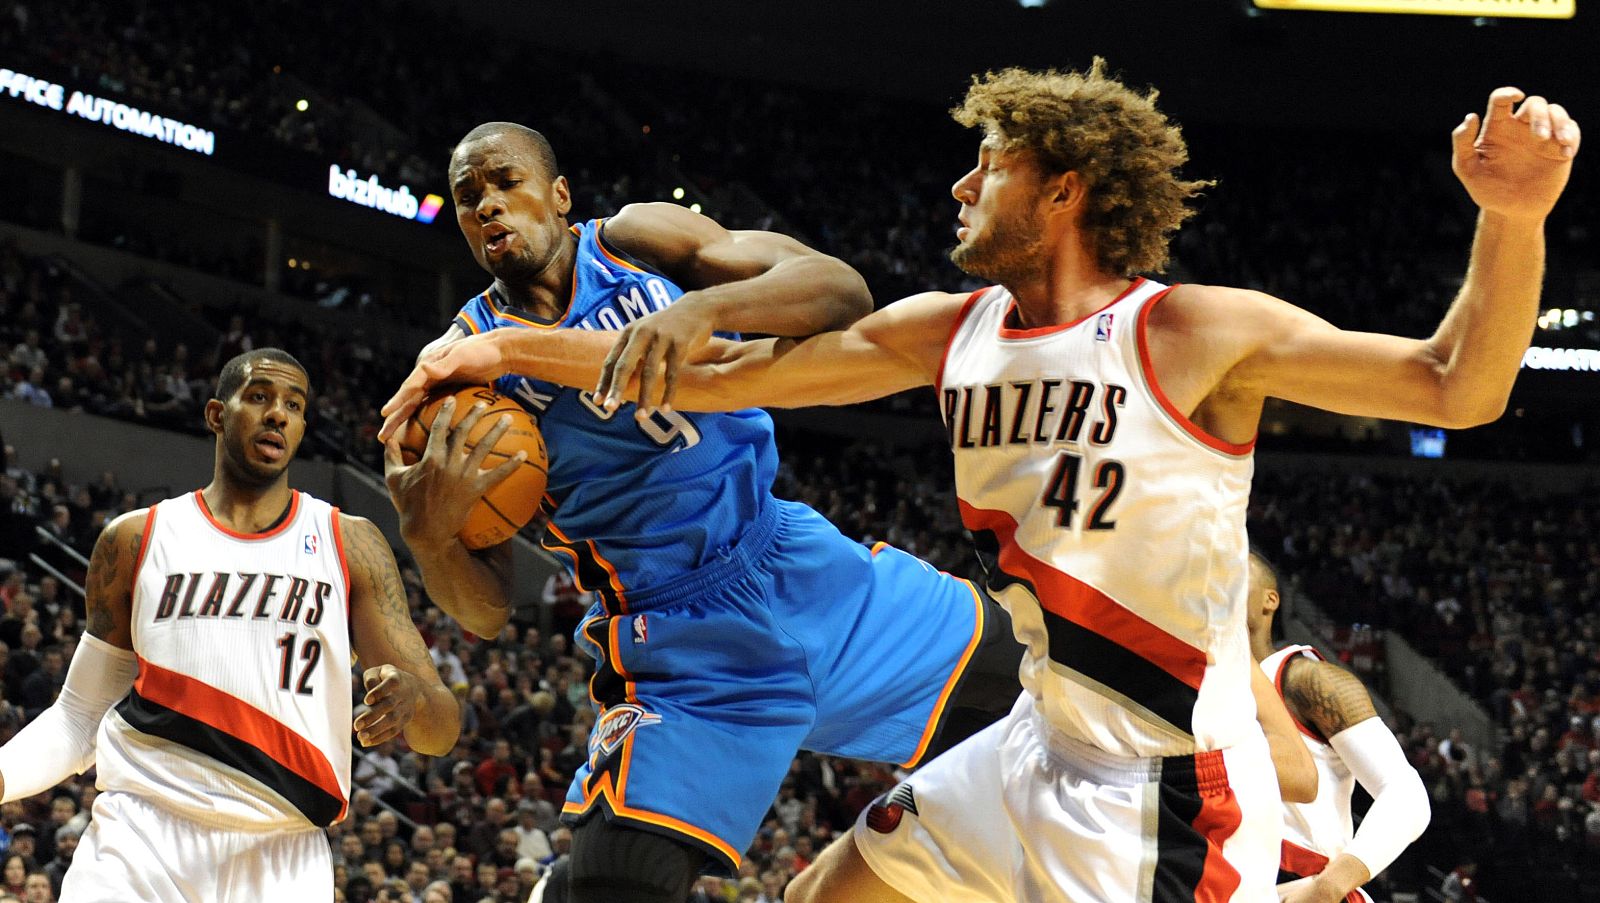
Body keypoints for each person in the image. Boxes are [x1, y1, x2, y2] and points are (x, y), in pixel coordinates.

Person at [383, 64, 1579, 902]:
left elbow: (1453, 385)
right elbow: (717, 378)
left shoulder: (1195, 332)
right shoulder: (950, 330)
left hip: (1162, 784)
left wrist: (1512, 218)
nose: (957, 188)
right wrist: (488, 352)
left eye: (985, 167)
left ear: (1063, 190)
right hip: (1020, 738)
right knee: (824, 890)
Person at [376, 122, 1022, 902]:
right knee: (618, 888)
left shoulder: (639, 242)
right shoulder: (460, 373)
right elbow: (482, 613)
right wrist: (428, 533)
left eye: (503, 180)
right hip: (681, 644)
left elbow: (840, 292)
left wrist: (703, 310)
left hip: (797, 562)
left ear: (558, 195)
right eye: (467, 195)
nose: (485, 203)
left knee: (1050, 684)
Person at [0, 348, 460, 900]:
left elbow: (442, 728)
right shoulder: (136, 538)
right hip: (140, 839)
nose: (278, 414)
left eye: (293, 404)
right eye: (260, 397)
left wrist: (415, 699)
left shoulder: (350, 543)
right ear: (217, 414)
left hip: (283, 855)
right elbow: (78, 717)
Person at [1245, 550, 1430, 903]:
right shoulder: (1197, 692)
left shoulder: (1306, 679)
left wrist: (1331, 886)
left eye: (1233, 570)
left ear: (1271, 599)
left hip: (1305, 884)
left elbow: (1406, 794)